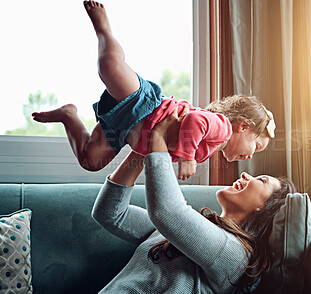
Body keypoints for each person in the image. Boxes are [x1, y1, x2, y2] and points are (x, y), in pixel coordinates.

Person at [31, 1, 276, 180]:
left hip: (127, 131)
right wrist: (187, 157)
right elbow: (194, 120)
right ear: (243, 126)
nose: (251, 157)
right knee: (109, 67)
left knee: (90, 160)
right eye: (257, 147)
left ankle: (68, 115)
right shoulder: (222, 127)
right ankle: (104, 29)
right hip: (145, 107)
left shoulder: (213, 148)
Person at [91, 107, 296, 294]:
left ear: (265, 207)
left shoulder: (235, 255)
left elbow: (167, 213)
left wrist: (158, 141)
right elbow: (110, 213)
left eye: (261, 181)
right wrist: (142, 147)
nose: (245, 174)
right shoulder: (186, 229)